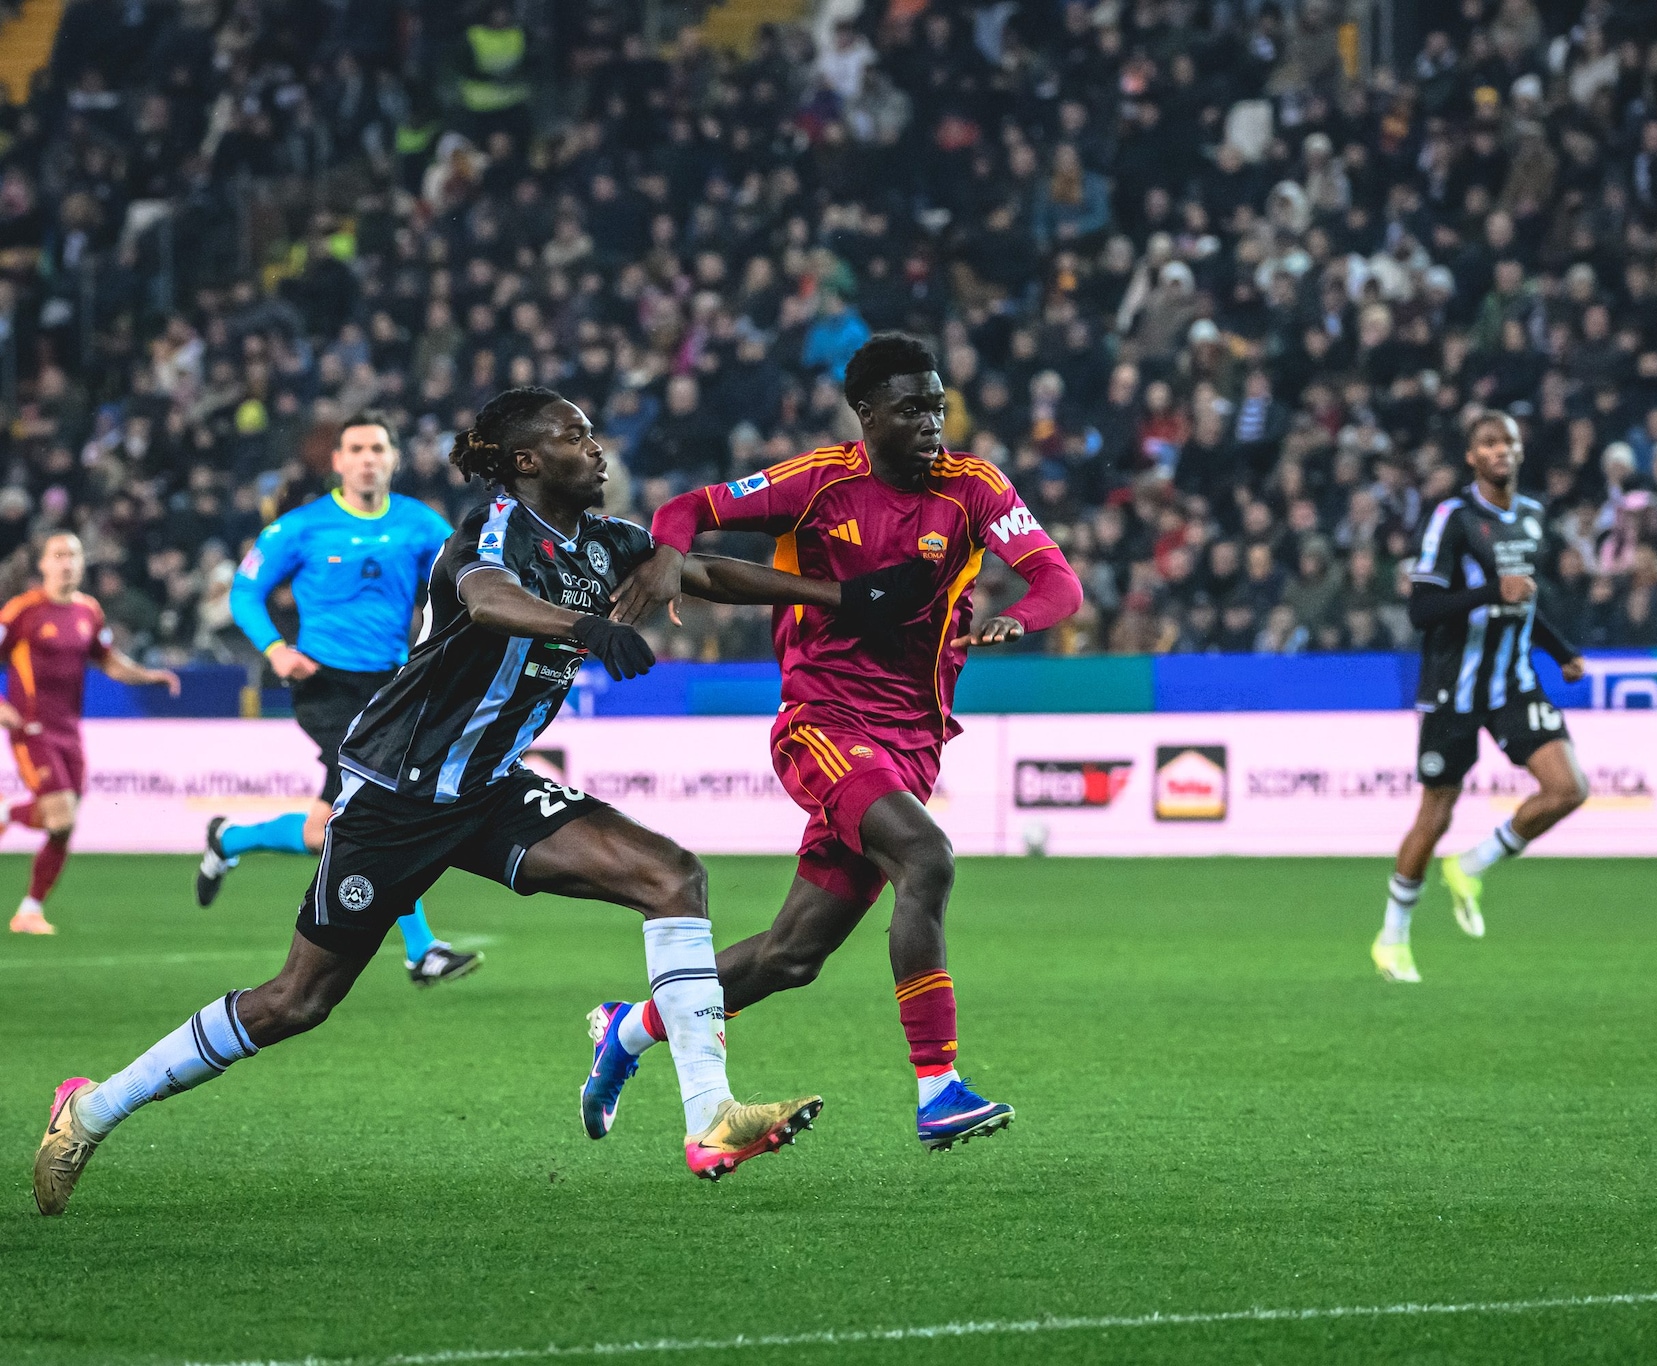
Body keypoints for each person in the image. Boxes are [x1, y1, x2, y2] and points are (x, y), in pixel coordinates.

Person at [32, 387, 930, 1215]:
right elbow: (490, 601)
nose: (595, 445)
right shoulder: (491, 529)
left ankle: (710, 1115)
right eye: (574, 436)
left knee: (673, 878)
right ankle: (93, 1107)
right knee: (297, 1002)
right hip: (394, 791)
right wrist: (591, 629)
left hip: (491, 788)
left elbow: (699, 572)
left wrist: (841, 596)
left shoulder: (605, 543)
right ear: (529, 461)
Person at [582, 334, 1081, 1152]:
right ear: (867, 413)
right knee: (928, 858)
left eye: (937, 404)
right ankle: (938, 1087)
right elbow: (688, 511)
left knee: (791, 956)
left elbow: (1059, 582)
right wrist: (668, 561)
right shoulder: (820, 481)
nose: (932, 423)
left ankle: (629, 1028)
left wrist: (1017, 618)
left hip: (913, 740)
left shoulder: (973, 487)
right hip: (823, 723)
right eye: (913, 408)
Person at [199, 415, 480, 985]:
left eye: (378, 447)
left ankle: (229, 836)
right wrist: (276, 650)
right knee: (381, 805)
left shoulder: (422, 525)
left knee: (323, 829)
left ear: (393, 457)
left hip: (390, 686)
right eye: (356, 448)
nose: (367, 458)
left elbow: (462, 583)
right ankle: (421, 949)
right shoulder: (300, 527)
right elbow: (245, 591)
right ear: (338, 461)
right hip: (324, 685)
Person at [1376, 411, 1589, 984]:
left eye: (1509, 442)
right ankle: (1392, 937)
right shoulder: (1452, 518)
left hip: (1514, 680)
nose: (1500, 451)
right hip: (1453, 686)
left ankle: (1473, 864)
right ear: (1472, 456)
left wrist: (1560, 650)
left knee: (1569, 788)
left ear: (1520, 452)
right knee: (1435, 814)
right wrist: (1490, 590)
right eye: (1488, 443)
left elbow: (1523, 602)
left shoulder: (1534, 517)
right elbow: (1422, 610)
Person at [2, 533, 181, 934]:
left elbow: (109, 661)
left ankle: (30, 909)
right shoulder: (22, 611)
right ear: (44, 564)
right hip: (31, 729)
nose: (66, 562)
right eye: (58, 555)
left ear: (83, 564)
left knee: (62, 824)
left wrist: (149, 675)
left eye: (73, 556)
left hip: (70, 731)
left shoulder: (88, 611)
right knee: (61, 816)